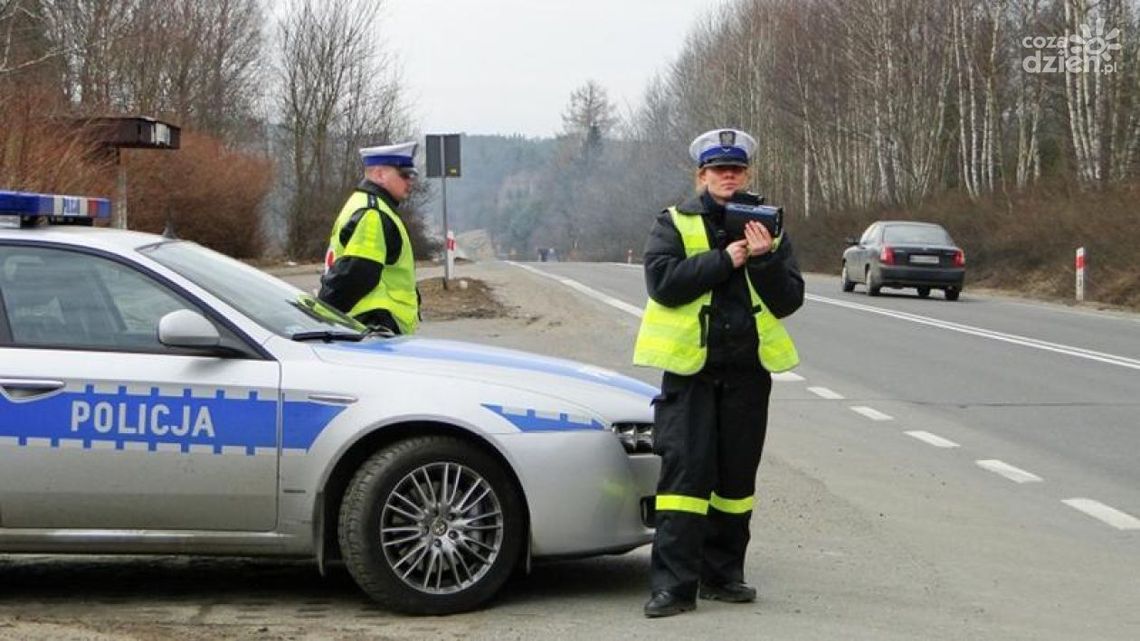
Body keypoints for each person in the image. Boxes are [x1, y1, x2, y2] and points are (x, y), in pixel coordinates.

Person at [632, 128, 804, 618]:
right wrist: (722, 260)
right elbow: (662, 283)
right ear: (702, 175)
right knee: (685, 481)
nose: (728, 176)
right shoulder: (675, 222)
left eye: (736, 169)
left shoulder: (769, 226)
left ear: (747, 174)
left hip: (748, 374)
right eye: (718, 170)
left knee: (735, 482)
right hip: (692, 375)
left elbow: (789, 298)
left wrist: (766, 258)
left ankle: (723, 576)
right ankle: (672, 587)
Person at [319, 141, 421, 335]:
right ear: (380, 175)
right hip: (375, 325)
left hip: (369, 323)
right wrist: (322, 313)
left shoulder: (366, 204)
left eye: (412, 175)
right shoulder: (373, 213)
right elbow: (357, 273)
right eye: (404, 174)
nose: (410, 181)